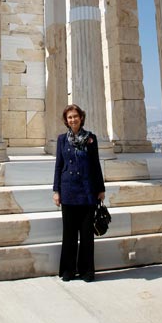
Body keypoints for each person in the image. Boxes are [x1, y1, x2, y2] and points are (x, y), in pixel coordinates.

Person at [53, 104, 105, 282]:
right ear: (66, 121)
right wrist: (56, 191)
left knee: (86, 234)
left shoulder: (91, 139)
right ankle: (68, 270)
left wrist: (101, 189)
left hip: (87, 191)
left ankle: (87, 271)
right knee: (69, 234)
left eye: (75, 116)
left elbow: (95, 165)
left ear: (81, 118)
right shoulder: (61, 140)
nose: (73, 119)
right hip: (68, 190)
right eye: (69, 117)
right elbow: (59, 166)